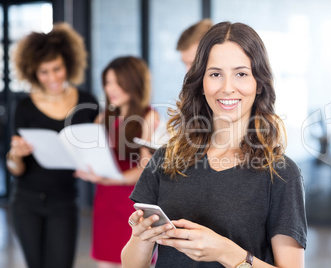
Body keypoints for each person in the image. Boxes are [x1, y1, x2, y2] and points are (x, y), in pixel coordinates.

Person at [121, 21, 307, 267]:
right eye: (216, 74)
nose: (227, 88)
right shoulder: (166, 159)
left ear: (259, 84)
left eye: (241, 74)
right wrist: (141, 238)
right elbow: (131, 264)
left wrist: (226, 252)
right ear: (201, 83)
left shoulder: (281, 173)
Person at [6, 23, 99, 268]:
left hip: (64, 201)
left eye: (56, 68)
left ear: (68, 63)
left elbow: (99, 149)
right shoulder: (24, 107)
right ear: (33, 72)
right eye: (43, 72)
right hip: (26, 202)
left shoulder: (87, 103)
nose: (52, 78)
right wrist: (15, 155)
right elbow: (16, 169)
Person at [74, 56, 159, 268]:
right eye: (107, 82)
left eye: (117, 82)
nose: (110, 88)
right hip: (105, 199)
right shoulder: (104, 117)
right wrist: (85, 168)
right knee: (105, 261)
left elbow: (145, 168)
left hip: (133, 202)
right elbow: (91, 153)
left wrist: (113, 179)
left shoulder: (149, 116)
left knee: (134, 261)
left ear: (132, 82)